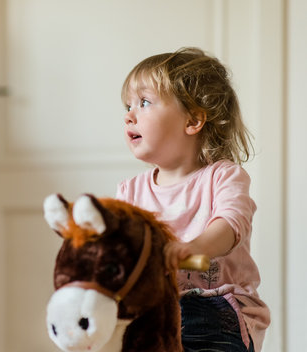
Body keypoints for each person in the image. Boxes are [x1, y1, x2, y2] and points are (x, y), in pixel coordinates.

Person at [115, 47, 270, 352]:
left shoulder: (223, 177)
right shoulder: (129, 193)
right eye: (128, 105)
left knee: (196, 320)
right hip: (154, 307)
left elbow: (230, 225)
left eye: (144, 102)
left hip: (216, 305)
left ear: (193, 120)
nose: (129, 115)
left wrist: (193, 248)